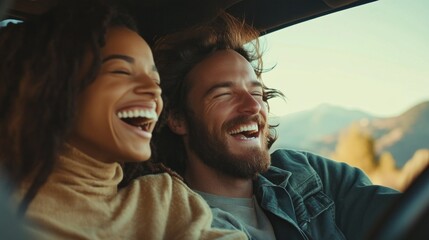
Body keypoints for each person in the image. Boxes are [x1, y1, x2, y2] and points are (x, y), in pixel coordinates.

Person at [0, 1, 247, 239]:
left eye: (156, 80)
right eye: (121, 71)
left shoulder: (163, 199)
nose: (153, 91)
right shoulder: (10, 208)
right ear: (51, 87)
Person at [153, 11, 401, 240]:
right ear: (177, 119)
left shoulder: (308, 174)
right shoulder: (180, 222)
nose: (252, 107)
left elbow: (404, 217)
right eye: (224, 95)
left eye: (257, 93)